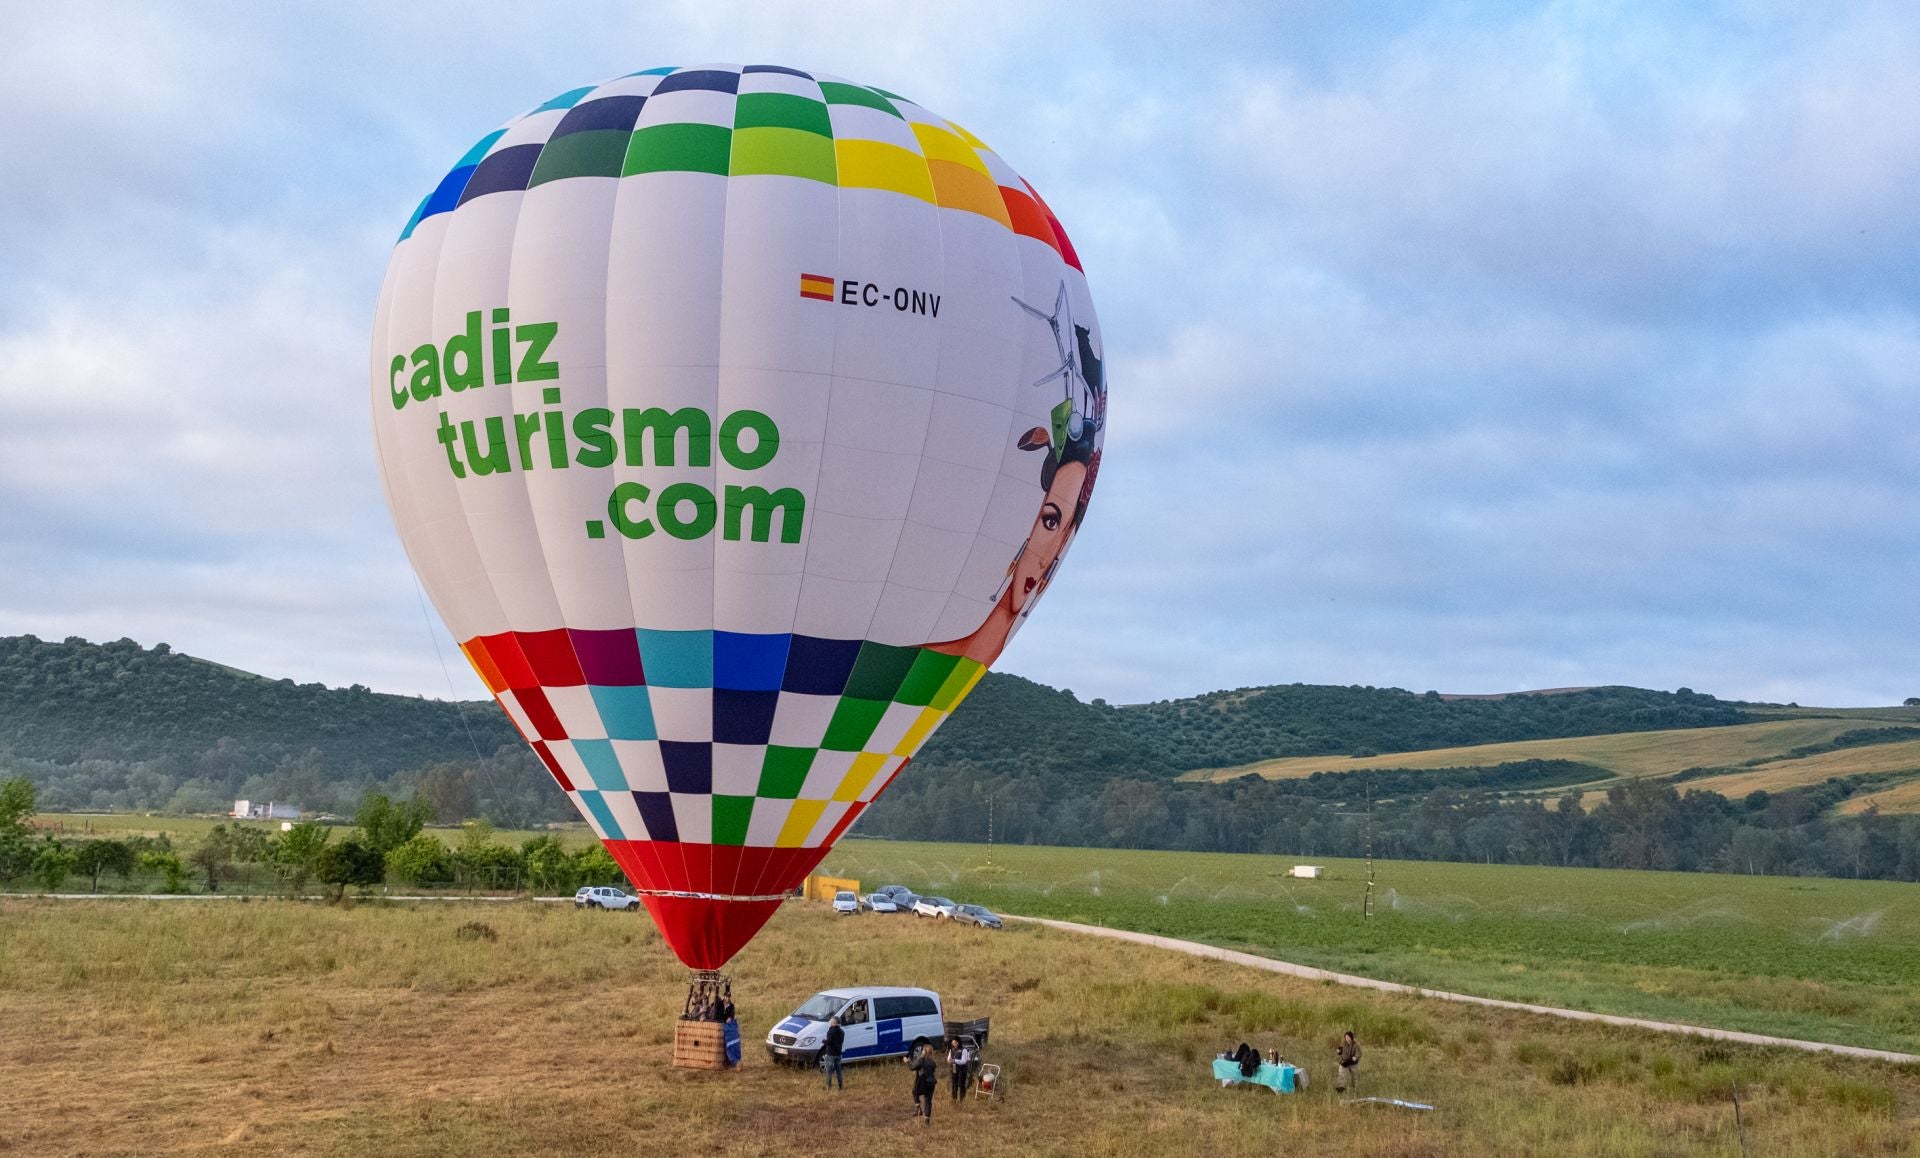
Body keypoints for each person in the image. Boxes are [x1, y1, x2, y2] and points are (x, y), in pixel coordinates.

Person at [907, 1037, 938, 1124]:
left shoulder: (922, 1060)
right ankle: (927, 1121)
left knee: (914, 1092)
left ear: (924, 1051)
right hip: (932, 1083)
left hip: (923, 1081)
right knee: (928, 1101)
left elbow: (912, 1067)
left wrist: (907, 1061)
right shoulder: (933, 1062)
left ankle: (918, 1109)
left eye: (923, 1050)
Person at [820, 1016, 844, 1091]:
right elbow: (839, 1042)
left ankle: (828, 1087)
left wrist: (824, 1041)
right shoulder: (842, 1032)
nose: (830, 1023)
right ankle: (840, 1086)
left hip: (830, 1054)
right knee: (839, 1071)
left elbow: (829, 1042)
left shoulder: (830, 1031)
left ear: (834, 1023)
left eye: (831, 1021)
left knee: (829, 1071)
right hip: (838, 1054)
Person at [947, 1037, 973, 1102]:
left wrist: (954, 1060)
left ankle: (962, 1099)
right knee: (954, 1083)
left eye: (954, 1043)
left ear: (958, 1043)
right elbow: (948, 1058)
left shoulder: (964, 1050)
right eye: (952, 1043)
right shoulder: (951, 1049)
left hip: (962, 1069)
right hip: (954, 1068)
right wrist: (949, 1060)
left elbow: (964, 1061)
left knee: (961, 1084)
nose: (953, 1044)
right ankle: (954, 1099)